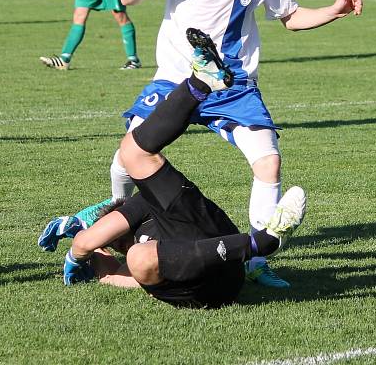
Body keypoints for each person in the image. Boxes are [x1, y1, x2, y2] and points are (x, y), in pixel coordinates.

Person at [108, 0, 363, 287]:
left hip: (233, 84)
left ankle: (257, 261)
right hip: (178, 77)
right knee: (127, 156)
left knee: (269, 160)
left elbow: (291, 17)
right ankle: (117, 223)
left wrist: (334, 10)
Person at [39, 30, 307, 308]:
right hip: (207, 287)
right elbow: (112, 275)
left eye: (112, 242)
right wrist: (93, 252)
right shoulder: (140, 254)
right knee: (139, 255)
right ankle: (259, 245)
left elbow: (85, 243)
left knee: (131, 152)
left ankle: (200, 83)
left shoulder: (139, 206)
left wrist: (81, 247)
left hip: (218, 250)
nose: (114, 247)